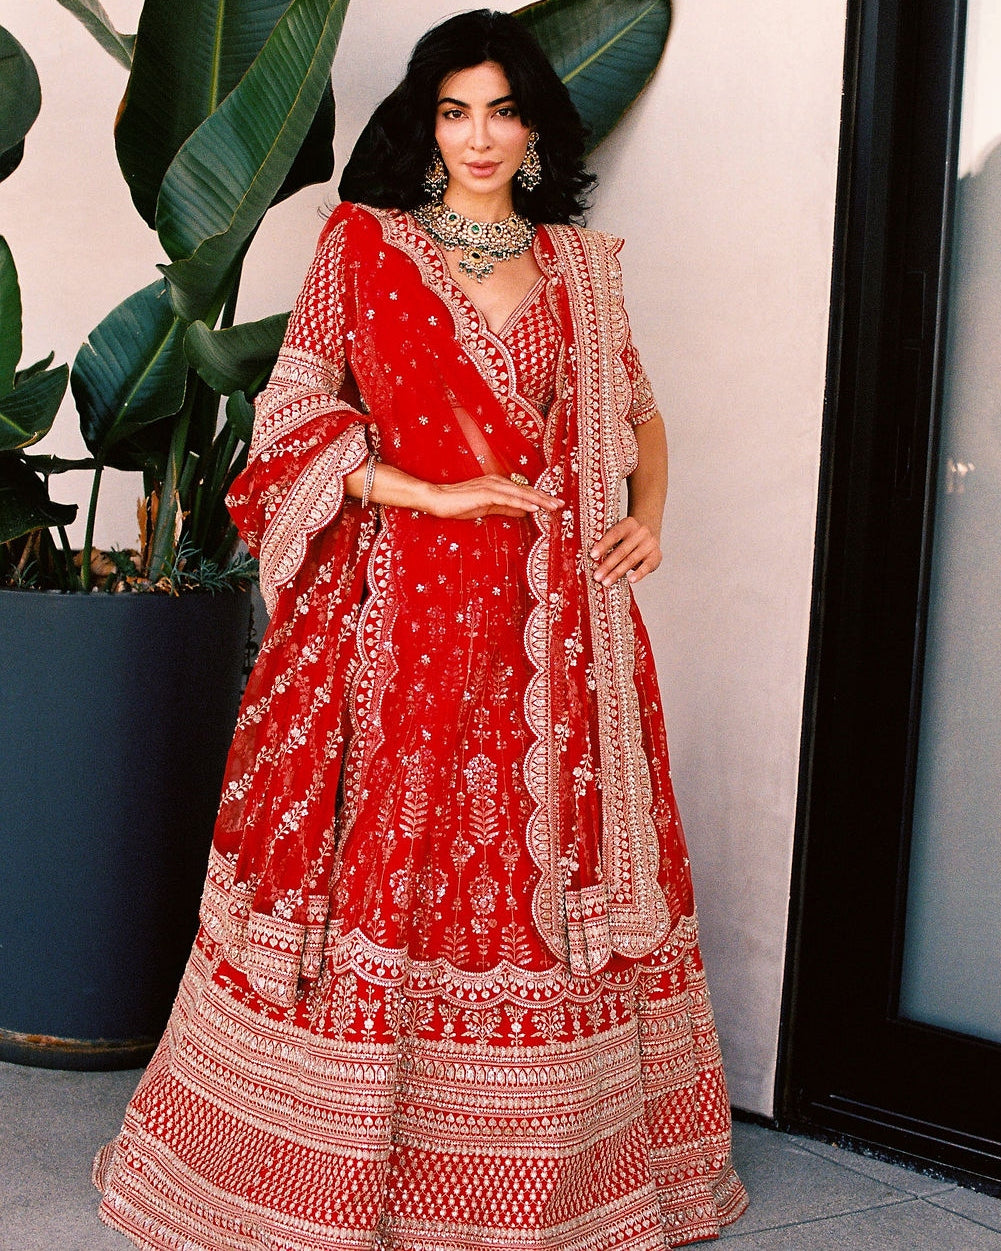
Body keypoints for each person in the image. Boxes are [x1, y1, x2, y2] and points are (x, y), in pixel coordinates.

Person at [94, 10, 748, 1249]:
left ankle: (529, 1185)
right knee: (391, 868)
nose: (478, 136)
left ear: (535, 129)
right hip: (399, 617)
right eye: (454, 112)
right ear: (426, 125)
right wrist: (430, 493)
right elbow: (294, 417)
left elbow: (637, 413)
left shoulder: (578, 270)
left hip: (552, 627)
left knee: (531, 880)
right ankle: (339, 1176)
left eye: (501, 111)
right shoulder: (365, 244)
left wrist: (645, 519)